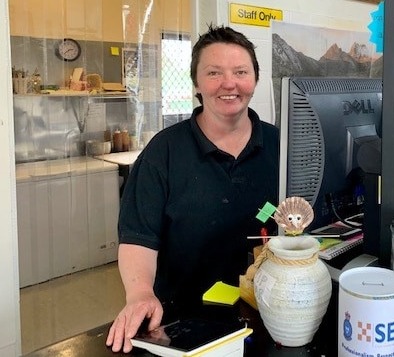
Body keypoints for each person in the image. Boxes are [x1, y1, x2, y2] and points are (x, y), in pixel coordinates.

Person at [106, 24, 279, 353]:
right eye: (214, 73)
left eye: (240, 71)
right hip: (184, 324)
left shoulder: (279, 144)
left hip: (269, 315)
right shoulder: (164, 152)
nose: (229, 83)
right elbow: (138, 238)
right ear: (196, 84)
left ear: (254, 80)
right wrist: (140, 292)